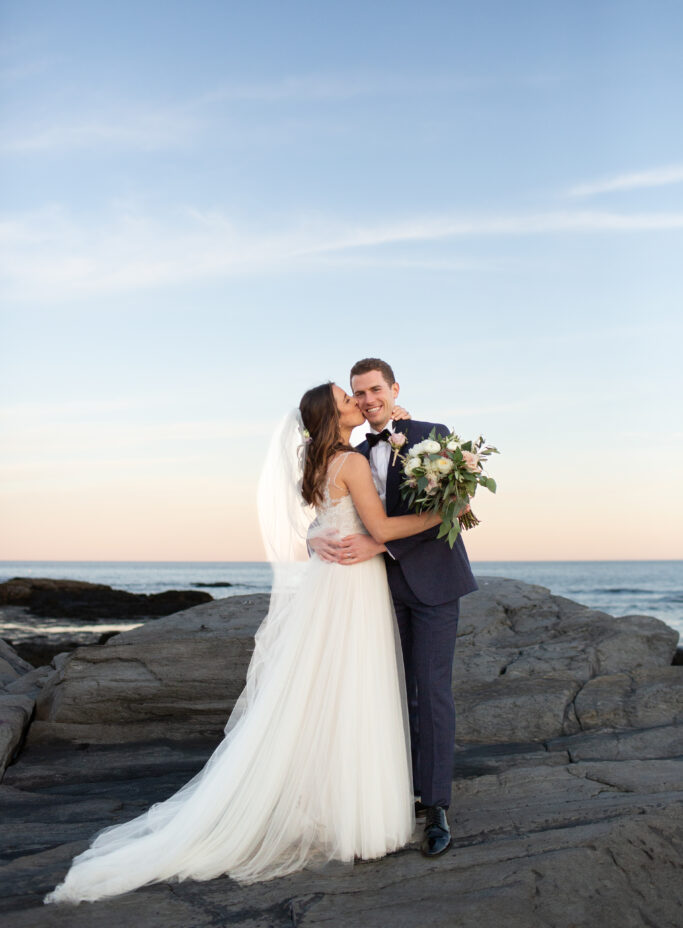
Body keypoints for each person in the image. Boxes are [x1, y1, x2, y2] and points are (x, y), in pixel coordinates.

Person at [44, 382, 441, 904]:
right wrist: (442, 515)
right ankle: (355, 813)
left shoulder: (318, 462)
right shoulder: (350, 462)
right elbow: (383, 528)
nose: (355, 403)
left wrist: (315, 535)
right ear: (334, 415)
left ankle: (332, 801)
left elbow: (323, 522)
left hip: (332, 585)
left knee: (324, 692)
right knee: (354, 689)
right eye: (348, 399)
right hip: (352, 587)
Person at [310, 358, 478, 858]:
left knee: (432, 692)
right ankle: (394, 793)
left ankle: (437, 805)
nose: (367, 399)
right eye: (357, 393)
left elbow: (455, 511)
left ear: (393, 389)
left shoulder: (433, 436)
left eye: (374, 389)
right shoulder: (354, 453)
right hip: (377, 591)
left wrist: (381, 546)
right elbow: (338, 512)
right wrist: (313, 538)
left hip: (431, 585)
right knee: (389, 694)